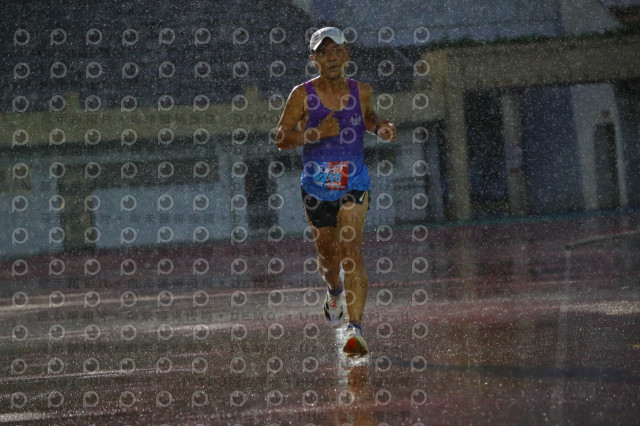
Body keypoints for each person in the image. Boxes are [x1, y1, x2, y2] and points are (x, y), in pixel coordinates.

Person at [276, 27, 397, 355]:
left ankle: (355, 328)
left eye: (336, 50)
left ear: (347, 54)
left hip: (353, 184)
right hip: (316, 189)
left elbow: (367, 118)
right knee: (329, 258)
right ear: (313, 59)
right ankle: (333, 292)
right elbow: (281, 138)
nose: (330, 57)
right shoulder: (301, 95)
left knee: (350, 251)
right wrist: (314, 133)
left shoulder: (362, 91)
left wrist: (381, 128)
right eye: (323, 52)